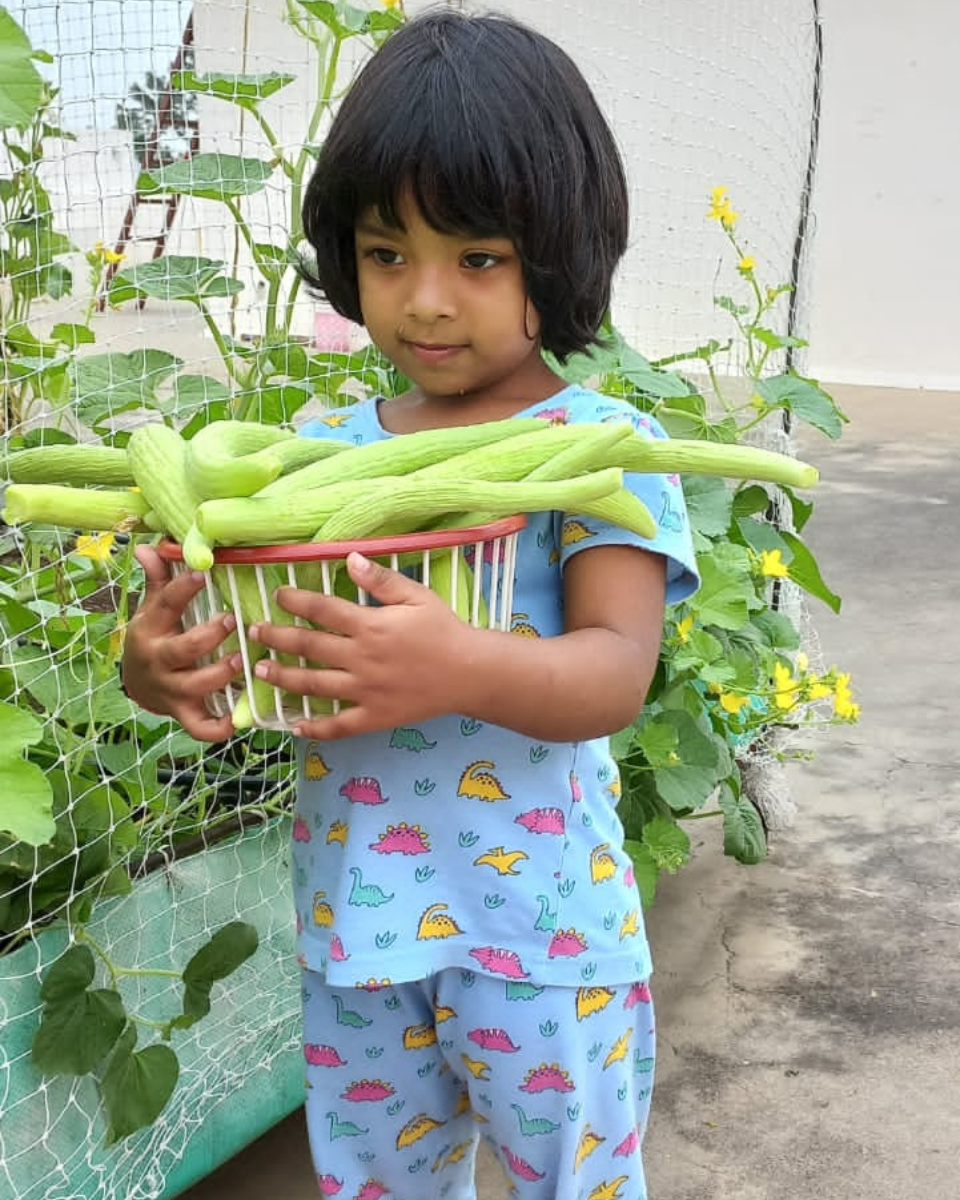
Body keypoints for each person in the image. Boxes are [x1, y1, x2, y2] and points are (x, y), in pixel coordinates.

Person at [122, 8, 699, 1198]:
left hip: (543, 943)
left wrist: (459, 667)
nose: (427, 301)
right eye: (389, 255)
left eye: (477, 258)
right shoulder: (316, 458)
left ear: (560, 250)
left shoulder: (598, 447)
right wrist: (167, 668)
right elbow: (251, 653)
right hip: (360, 936)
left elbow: (614, 671)